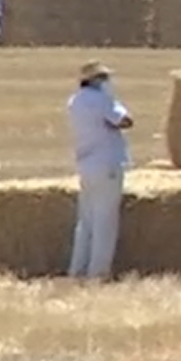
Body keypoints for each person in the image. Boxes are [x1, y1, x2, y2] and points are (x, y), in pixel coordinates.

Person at [67, 59, 134, 279]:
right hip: (107, 163)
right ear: (94, 80)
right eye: (104, 77)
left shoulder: (74, 102)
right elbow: (125, 120)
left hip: (86, 164)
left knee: (86, 222)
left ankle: (77, 269)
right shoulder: (101, 100)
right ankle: (98, 273)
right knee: (105, 222)